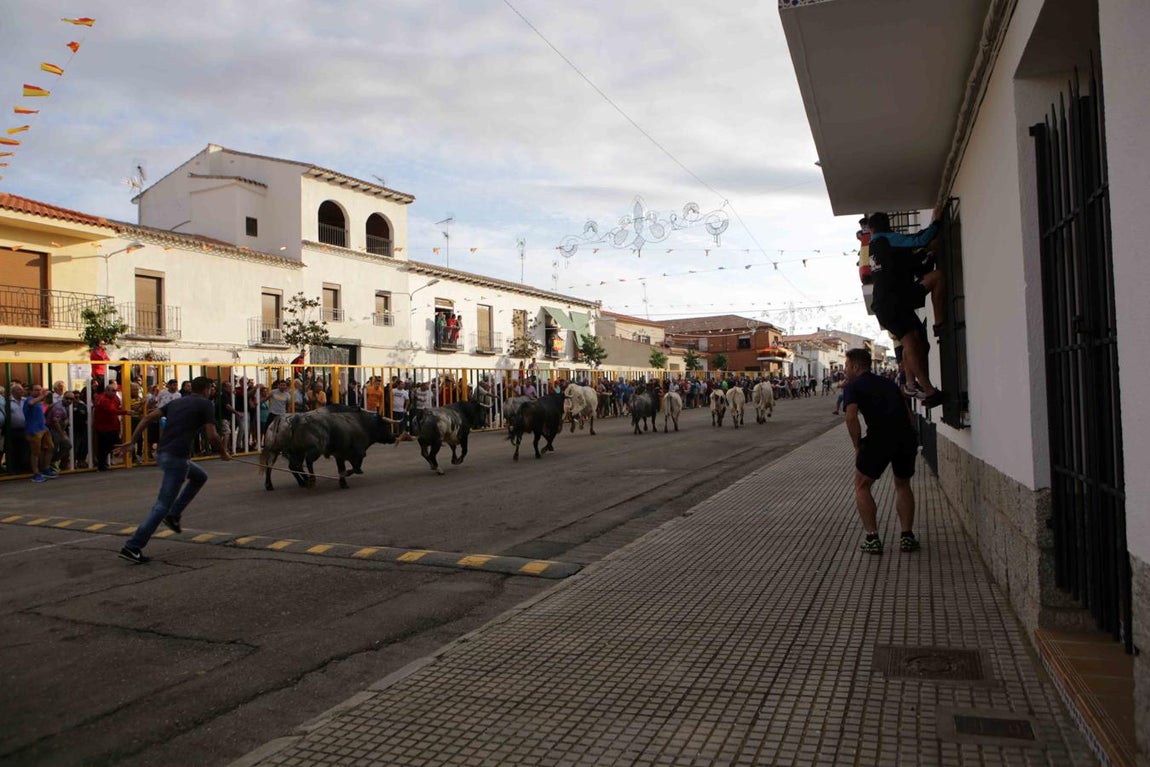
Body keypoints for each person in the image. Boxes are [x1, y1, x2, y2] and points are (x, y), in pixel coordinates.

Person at [116, 376, 229, 564]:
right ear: (207, 389)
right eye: (212, 389)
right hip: (177, 457)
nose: (212, 392)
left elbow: (147, 417)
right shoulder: (205, 404)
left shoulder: (178, 402)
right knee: (161, 505)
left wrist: (133, 440)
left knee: (200, 476)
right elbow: (212, 435)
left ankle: (174, 515)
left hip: (163, 454)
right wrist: (224, 453)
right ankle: (133, 546)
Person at [841, 348, 920, 554]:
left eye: (847, 366)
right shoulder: (889, 383)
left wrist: (858, 446)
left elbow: (851, 417)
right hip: (905, 436)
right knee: (903, 484)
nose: (845, 369)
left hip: (879, 438)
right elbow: (909, 415)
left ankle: (872, 538)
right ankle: (907, 537)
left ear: (856, 367)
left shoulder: (853, 386)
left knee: (861, 485)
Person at [867, 210, 947, 408]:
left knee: (915, 341)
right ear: (887, 226)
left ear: (871, 228)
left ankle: (910, 384)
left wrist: (926, 254)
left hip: (887, 305)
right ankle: (929, 390)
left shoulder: (876, 248)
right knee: (937, 278)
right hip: (895, 301)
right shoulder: (887, 239)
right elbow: (921, 238)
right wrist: (936, 223)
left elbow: (907, 264)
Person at [23, 384, 57, 482]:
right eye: (36, 390)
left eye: (40, 390)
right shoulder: (28, 400)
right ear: (31, 391)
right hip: (33, 429)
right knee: (35, 452)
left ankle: (46, 468)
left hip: (43, 428)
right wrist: (43, 395)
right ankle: (36, 473)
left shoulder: (39, 402)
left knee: (50, 447)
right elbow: (31, 403)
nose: (38, 392)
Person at [93, 381, 131, 471]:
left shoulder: (115, 397)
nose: (115, 392)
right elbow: (111, 410)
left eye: (116, 390)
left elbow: (117, 406)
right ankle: (102, 466)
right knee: (104, 447)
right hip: (103, 427)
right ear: (107, 390)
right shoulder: (102, 399)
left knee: (114, 444)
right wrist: (126, 412)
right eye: (113, 390)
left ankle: (106, 462)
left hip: (113, 426)